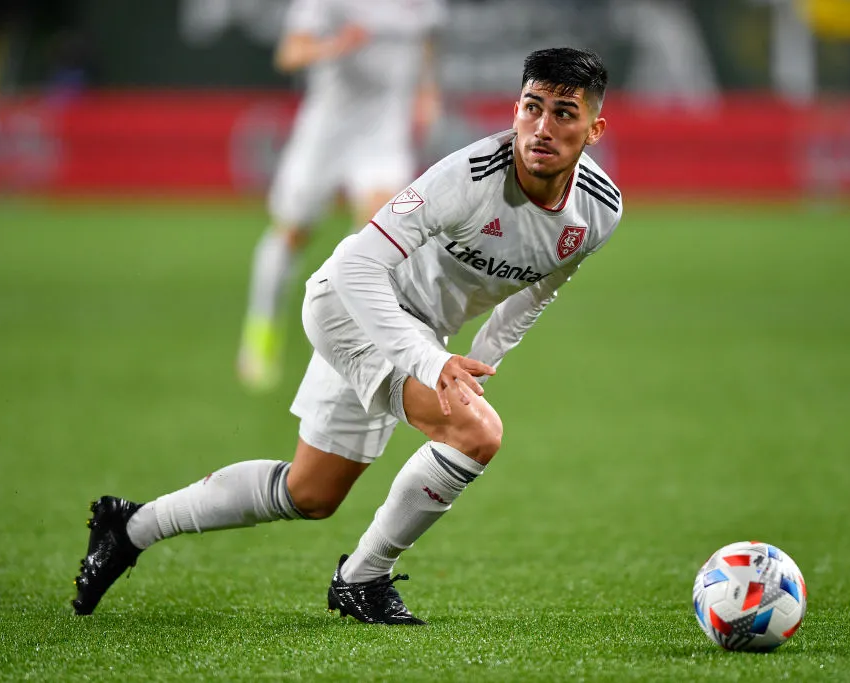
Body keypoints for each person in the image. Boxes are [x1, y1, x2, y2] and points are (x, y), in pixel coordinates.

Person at [73, 47, 623, 625]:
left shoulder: (599, 211)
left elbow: (535, 293)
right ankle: (362, 579)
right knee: (476, 433)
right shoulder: (467, 177)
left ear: (594, 128)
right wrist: (432, 365)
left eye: (563, 113)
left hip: (416, 331)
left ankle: (130, 526)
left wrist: (477, 363)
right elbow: (358, 264)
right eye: (532, 108)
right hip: (349, 306)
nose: (541, 127)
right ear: (515, 109)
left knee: (309, 493)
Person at [238, 0, 446, 391]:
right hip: (327, 131)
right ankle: (261, 329)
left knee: (381, 235)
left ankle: (350, 346)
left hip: (384, 130)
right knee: (293, 233)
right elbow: (290, 54)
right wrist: (335, 45)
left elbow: (426, 41)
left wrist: (427, 92)